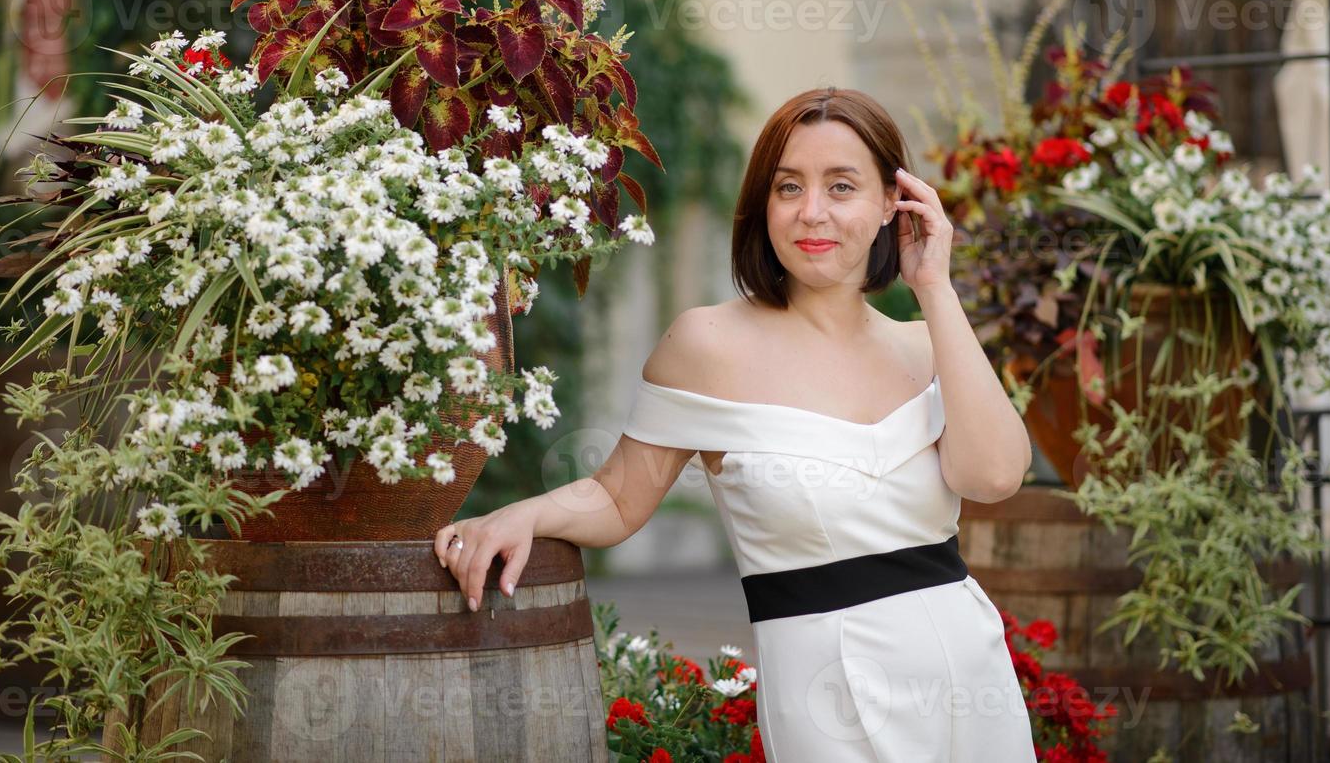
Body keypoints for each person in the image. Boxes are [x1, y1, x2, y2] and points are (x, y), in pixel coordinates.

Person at [434, 87, 1037, 761]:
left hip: (966, 668)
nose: (812, 212)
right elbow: (617, 496)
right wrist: (525, 515)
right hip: (823, 689)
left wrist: (936, 286)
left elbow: (993, 476)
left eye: (842, 187)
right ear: (763, 204)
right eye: (789, 187)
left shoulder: (927, 345)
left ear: (892, 206)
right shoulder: (708, 345)